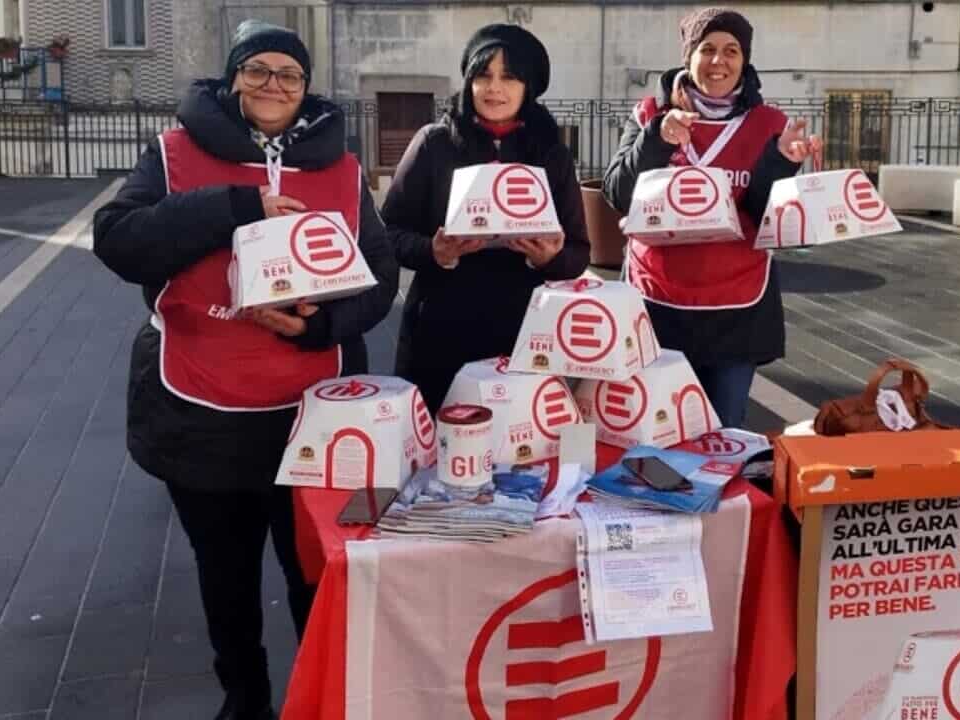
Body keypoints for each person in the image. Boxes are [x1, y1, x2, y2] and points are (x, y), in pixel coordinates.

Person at [92, 20, 398, 720]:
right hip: (202, 410)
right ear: (232, 81)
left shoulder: (342, 169)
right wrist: (235, 207)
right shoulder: (174, 153)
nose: (273, 85)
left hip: (314, 415)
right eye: (257, 71)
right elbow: (118, 241)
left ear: (305, 88)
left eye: (288, 74)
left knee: (315, 574)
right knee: (225, 577)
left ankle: (319, 695)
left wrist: (321, 324)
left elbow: (379, 278)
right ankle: (246, 698)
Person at [602, 7, 822, 428]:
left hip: (735, 310)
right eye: (707, 49)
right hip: (654, 305)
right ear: (689, 57)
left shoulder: (769, 124)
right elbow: (617, 194)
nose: (719, 61)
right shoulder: (650, 114)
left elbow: (766, 215)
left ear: (744, 60)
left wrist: (781, 162)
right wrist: (656, 140)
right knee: (656, 433)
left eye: (731, 50)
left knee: (724, 436)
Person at [382, 24, 590, 412]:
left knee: (518, 450)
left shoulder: (551, 153)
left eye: (509, 77)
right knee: (439, 455)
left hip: (524, 331)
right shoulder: (433, 143)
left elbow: (578, 251)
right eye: (483, 75)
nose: (494, 88)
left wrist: (548, 259)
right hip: (440, 330)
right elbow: (388, 233)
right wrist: (435, 251)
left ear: (529, 87)